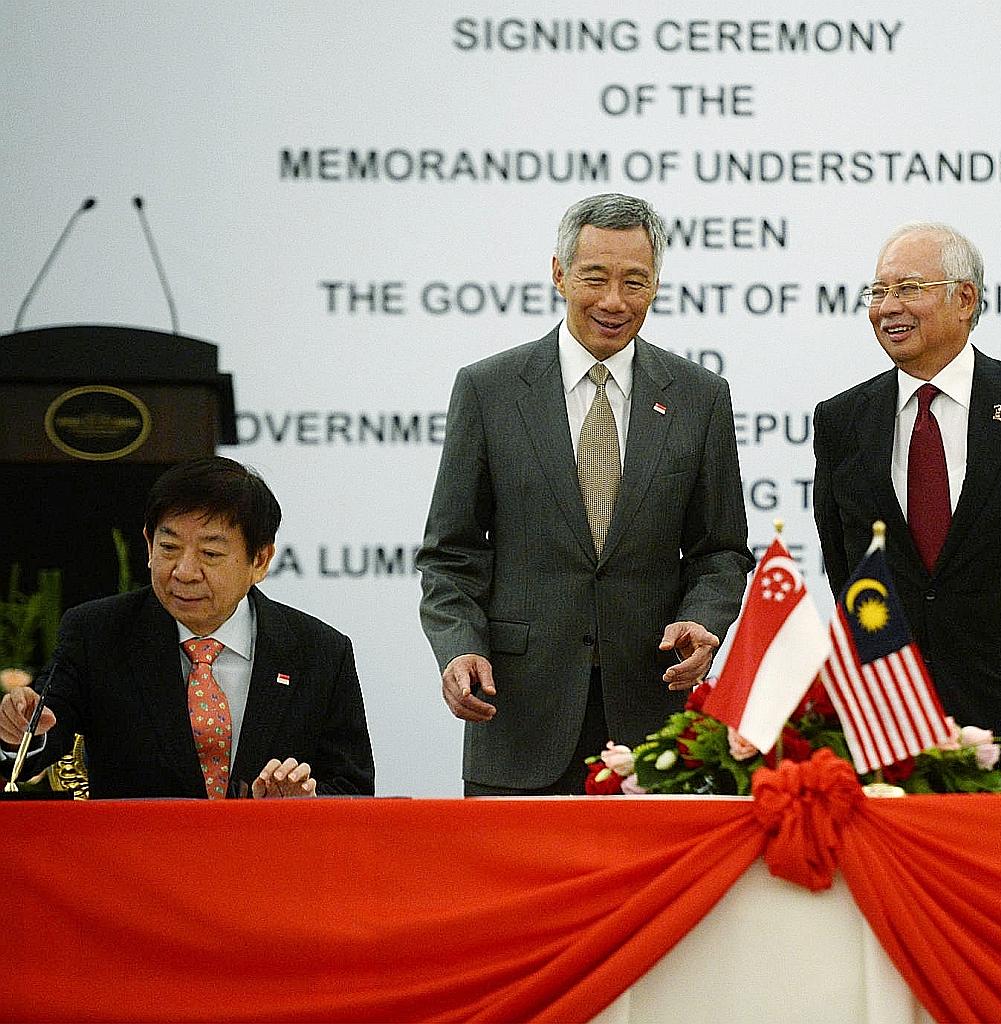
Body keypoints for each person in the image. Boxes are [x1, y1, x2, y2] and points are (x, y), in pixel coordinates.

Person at [418, 193, 752, 796]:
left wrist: (703, 621)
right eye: (594, 277)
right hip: (516, 711)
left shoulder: (700, 397)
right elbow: (451, 553)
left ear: (657, 284)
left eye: (635, 281)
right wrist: (458, 648)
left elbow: (720, 552)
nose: (613, 301)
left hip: (654, 714)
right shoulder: (489, 390)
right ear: (559, 273)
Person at [812, 222, 1001, 790]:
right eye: (877, 292)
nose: (885, 308)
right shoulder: (841, 420)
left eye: (908, 288)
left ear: (964, 298)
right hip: (889, 723)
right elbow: (846, 567)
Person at [0, 456, 373, 798]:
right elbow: (33, 747)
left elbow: (353, 787)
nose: (184, 572)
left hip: (267, 863)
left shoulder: (319, 651)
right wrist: (16, 733)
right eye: (169, 548)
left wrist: (304, 803)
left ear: (260, 560)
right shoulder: (97, 632)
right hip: (135, 863)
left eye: (210, 554)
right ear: (148, 544)